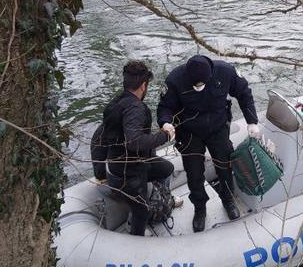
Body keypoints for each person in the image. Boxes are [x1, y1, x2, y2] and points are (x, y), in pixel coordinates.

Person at [157, 55, 260, 232]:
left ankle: (228, 200)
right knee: (194, 172)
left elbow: (244, 93)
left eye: (201, 84)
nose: (198, 88)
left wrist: (252, 121)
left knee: (224, 165)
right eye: (194, 85)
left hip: (218, 127)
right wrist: (165, 122)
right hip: (189, 131)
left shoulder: (226, 72)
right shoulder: (174, 79)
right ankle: (200, 208)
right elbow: (165, 107)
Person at [102, 60, 177, 236]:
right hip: (129, 173)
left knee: (167, 168)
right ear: (143, 86)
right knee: (141, 211)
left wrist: (100, 171)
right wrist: (165, 135)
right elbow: (134, 142)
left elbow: (100, 135)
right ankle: (136, 234)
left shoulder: (114, 104)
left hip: (117, 165)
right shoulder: (136, 108)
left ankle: (162, 197)